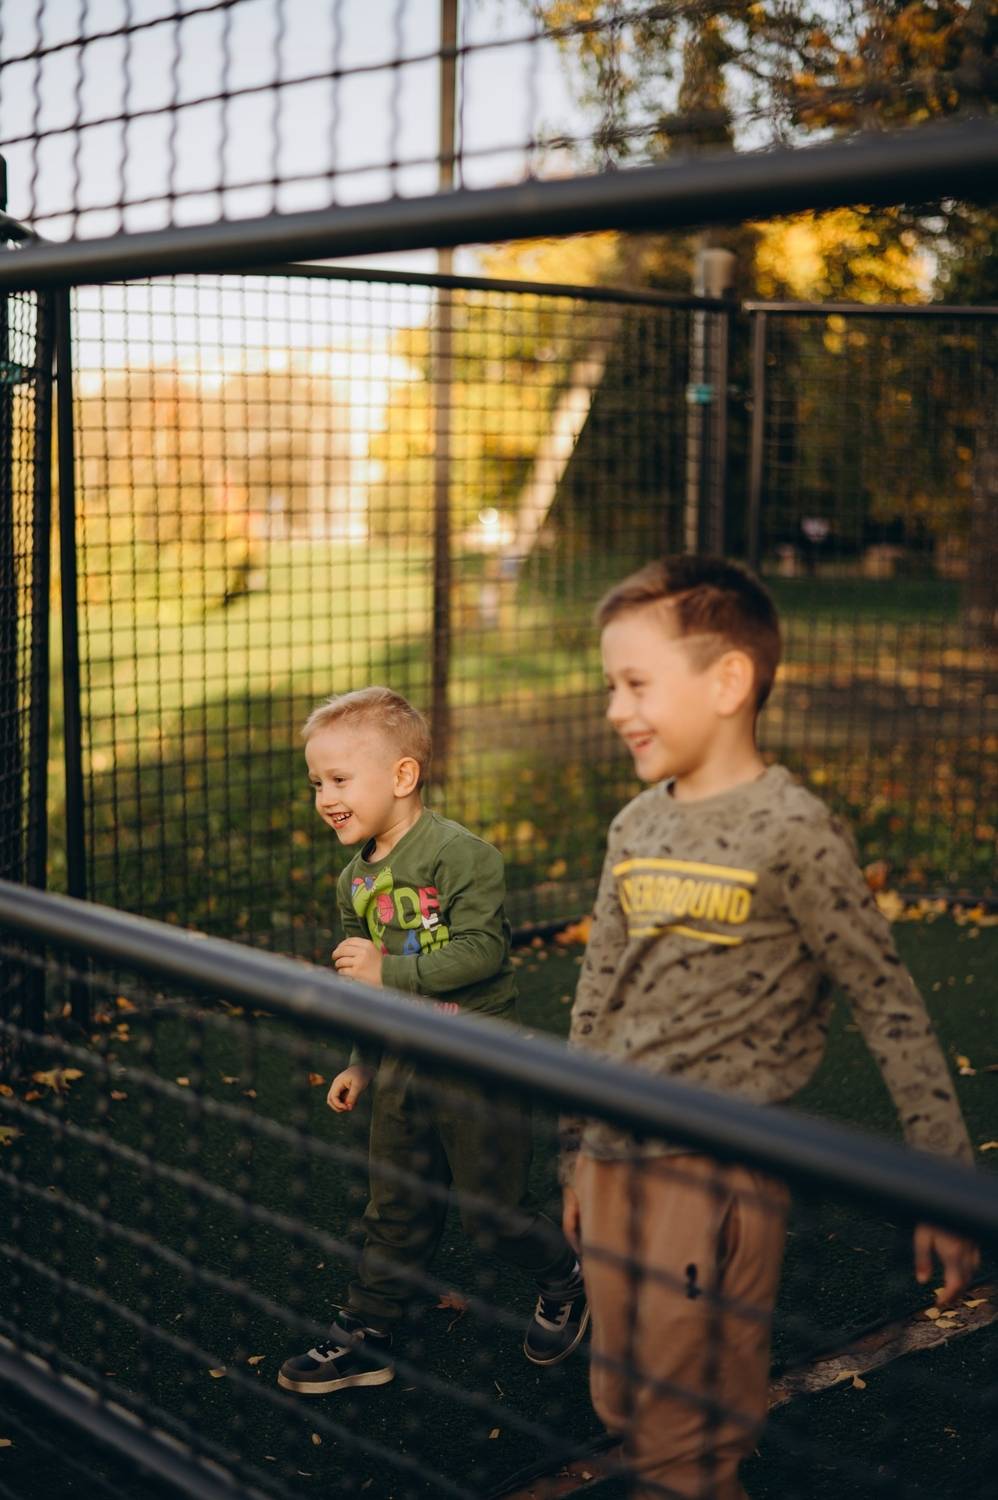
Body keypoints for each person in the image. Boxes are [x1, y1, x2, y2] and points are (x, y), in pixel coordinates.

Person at [560, 556, 979, 1500]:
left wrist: (944, 1179)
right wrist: (576, 1150)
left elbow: (888, 1003)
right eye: (610, 686)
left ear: (728, 682)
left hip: (716, 1166)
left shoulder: (794, 831)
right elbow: (597, 994)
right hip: (614, 1156)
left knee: (686, 1436)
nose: (616, 710)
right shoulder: (633, 827)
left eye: (636, 684)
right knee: (623, 1401)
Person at [279, 686, 587, 1395]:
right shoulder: (354, 881)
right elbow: (367, 989)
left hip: (477, 1061)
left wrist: (388, 970)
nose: (325, 798)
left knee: (493, 1214)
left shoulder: (461, 856)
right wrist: (362, 1062)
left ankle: (566, 1276)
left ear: (403, 776)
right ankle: (368, 1333)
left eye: (339, 779)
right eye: (317, 783)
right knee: (394, 1207)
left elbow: (482, 952)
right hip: (401, 1065)